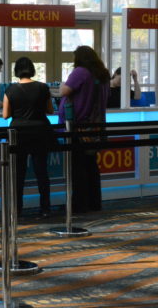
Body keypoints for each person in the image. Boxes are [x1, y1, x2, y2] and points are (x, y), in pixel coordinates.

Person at [58, 45, 110, 214]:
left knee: (78, 167)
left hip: (78, 128)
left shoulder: (81, 72)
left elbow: (64, 91)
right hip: (95, 127)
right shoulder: (102, 74)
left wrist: (61, 84)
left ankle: (79, 204)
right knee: (91, 166)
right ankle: (94, 202)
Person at [2, 57, 53, 217]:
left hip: (19, 134)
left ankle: (17, 209)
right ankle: (45, 208)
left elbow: (5, 115)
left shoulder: (10, 90)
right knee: (42, 172)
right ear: (32, 69)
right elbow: (50, 110)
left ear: (16, 71)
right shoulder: (43, 88)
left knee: (18, 173)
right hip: (40, 132)